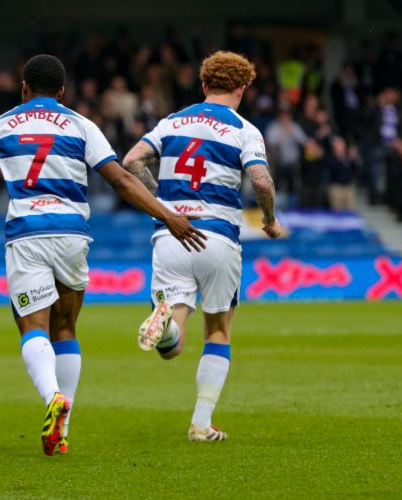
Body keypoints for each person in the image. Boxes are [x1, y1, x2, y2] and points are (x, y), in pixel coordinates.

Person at [0, 54, 205, 456]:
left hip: (28, 234)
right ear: (62, 91)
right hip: (72, 234)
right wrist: (167, 216)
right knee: (65, 328)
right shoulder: (81, 125)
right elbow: (121, 180)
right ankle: (63, 429)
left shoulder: (2, 125)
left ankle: (53, 397)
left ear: (23, 88)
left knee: (32, 327)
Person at [123, 51, 281, 442]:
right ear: (242, 88)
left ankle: (165, 327)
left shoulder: (172, 121)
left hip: (171, 234)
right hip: (217, 237)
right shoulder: (244, 129)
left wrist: (161, 202)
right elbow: (261, 181)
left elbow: (132, 161)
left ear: (205, 85)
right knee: (218, 331)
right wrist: (270, 219)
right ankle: (201, 424)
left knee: (173, 344)